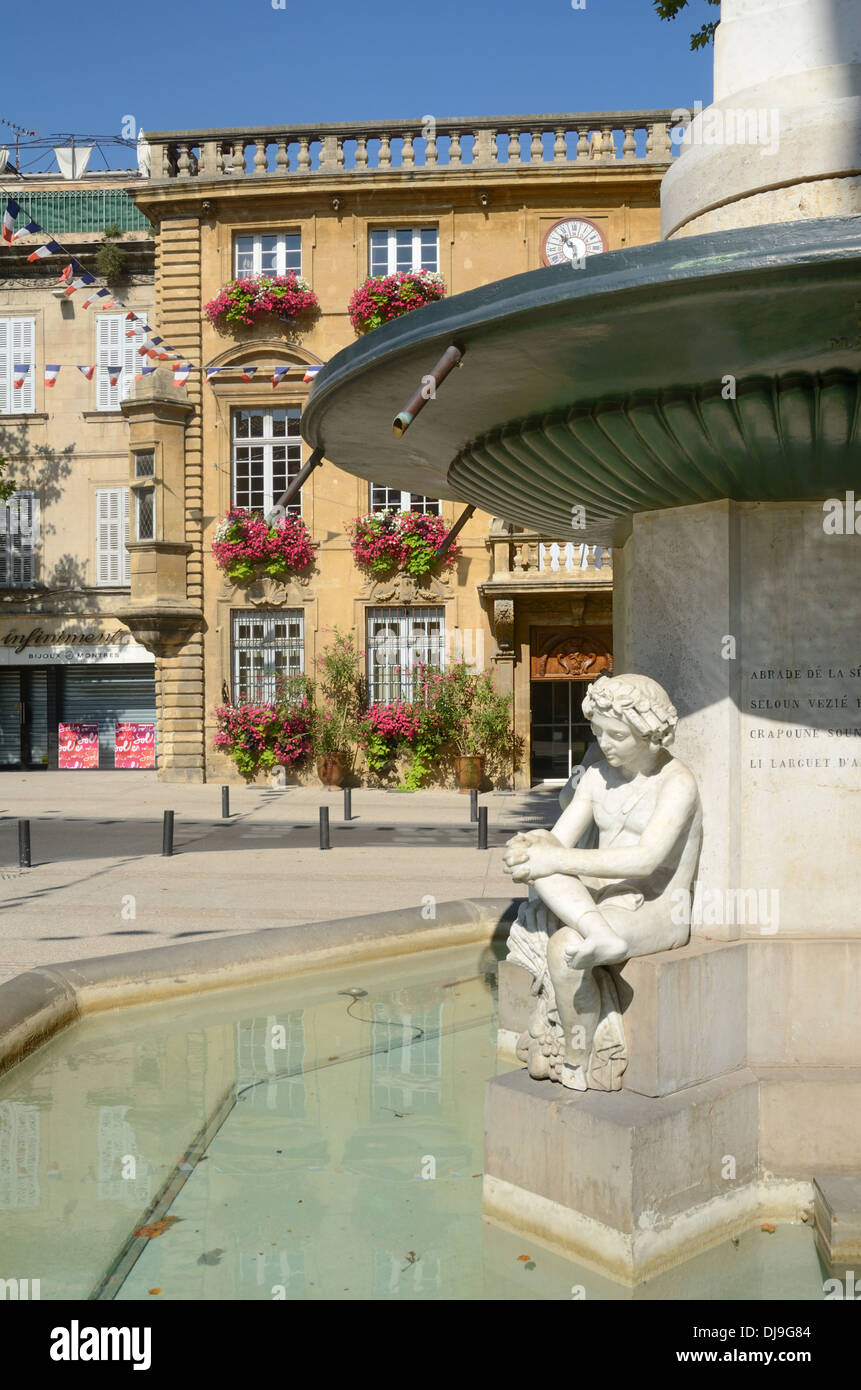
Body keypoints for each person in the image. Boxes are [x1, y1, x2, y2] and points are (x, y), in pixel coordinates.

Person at [503, 673, 701, 1090]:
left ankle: (577, 1057)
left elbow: (647, 860)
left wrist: (552, 856)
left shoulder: (677, 784)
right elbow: (558, 839)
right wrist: (528, 847)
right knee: (543, 852)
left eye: (616, 735)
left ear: (648, 734)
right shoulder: (596, 777)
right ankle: (597, 935)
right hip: (599, 901)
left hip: (655, 907)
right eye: (599, 733)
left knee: (565, 947)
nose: (604, 744)